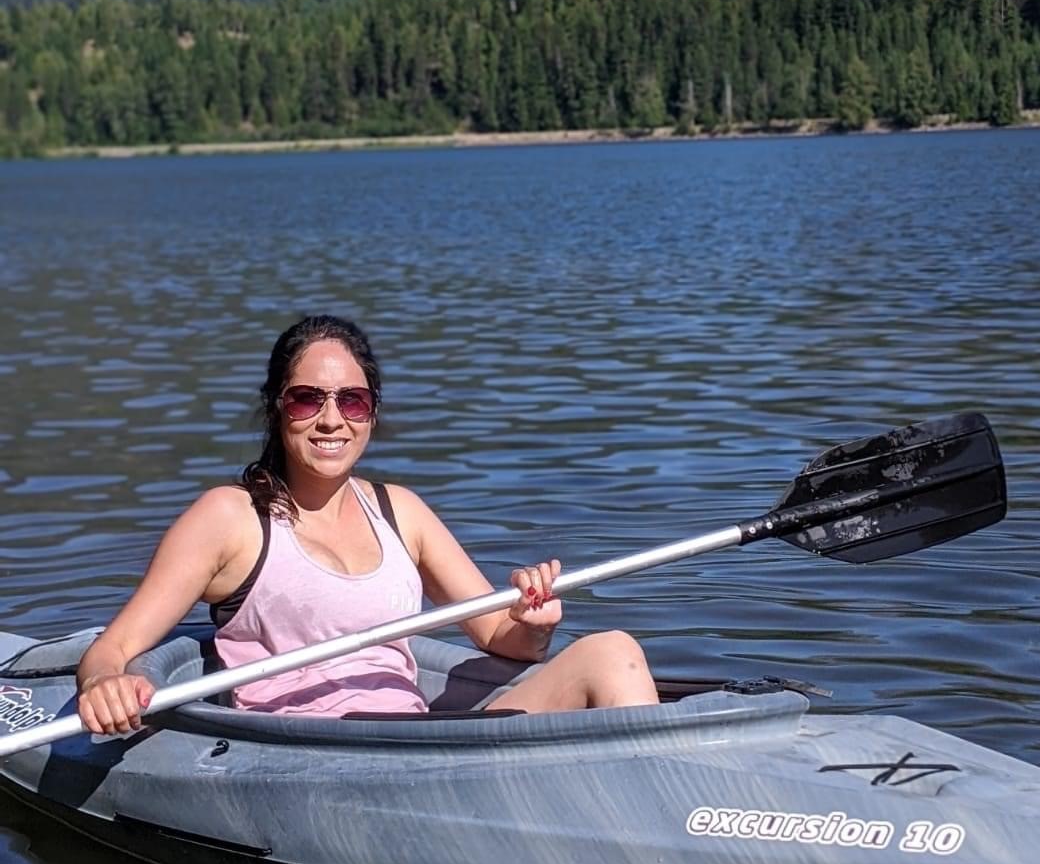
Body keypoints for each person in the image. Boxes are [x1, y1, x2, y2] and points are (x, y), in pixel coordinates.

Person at [77, 314, 658, 733]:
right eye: (307, 399)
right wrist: (104, 685)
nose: (331, 419)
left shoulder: (399, 509)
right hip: (312, 756)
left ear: (371, 413)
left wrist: (534, 622)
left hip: (409, 740)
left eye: (351, 401)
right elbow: (113, 648)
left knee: (613, 650)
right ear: (277, 408)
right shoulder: (228, 518)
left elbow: (500, 638)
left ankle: (676, 837)